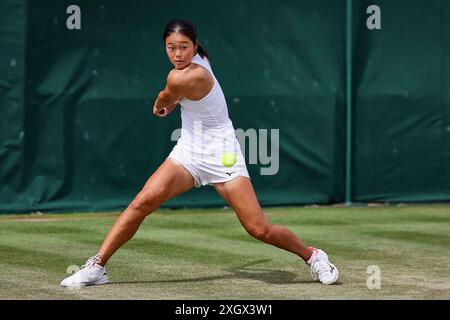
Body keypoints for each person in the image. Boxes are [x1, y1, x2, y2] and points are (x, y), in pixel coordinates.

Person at [61, 19, 339, 287]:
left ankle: (314, 256)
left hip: (222, 153)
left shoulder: (190, 74)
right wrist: (175, 98)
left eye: (184, 46)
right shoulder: (200, 60)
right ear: (165, 46)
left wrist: (163, 104)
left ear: (195, 46)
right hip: (189, 151)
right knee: (141, 203)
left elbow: (162, 100)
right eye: (171, 47)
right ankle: (97, 266)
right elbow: (178, 94)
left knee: (259, 229)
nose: (178, 53)